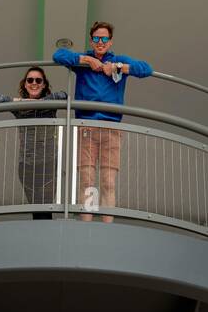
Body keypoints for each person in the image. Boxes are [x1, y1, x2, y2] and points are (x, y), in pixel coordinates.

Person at [53, 21, 152, 223]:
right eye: (97, 38)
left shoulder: (117, 60)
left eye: (104, 38)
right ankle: (87, 225)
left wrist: (117, 67)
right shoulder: (83, 63)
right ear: (91, 40)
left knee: (108, 182)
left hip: (111, 128)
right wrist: (86, 60)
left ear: (110, 41)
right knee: (87, 180)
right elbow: (58, 55)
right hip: (86, 127)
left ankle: (107, 229)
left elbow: (146, 69)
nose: (100, 42)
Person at [0, 67, 67, 219]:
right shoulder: (19, 108)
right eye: (30, 80)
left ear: (44, 85)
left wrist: (29, 102)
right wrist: (20, 102)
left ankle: (44, 238)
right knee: (37, 210)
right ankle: (42, 238)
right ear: (25, 84)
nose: (34, 83)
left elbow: (63, 95)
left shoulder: (50, 103)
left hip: (48, 163)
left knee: (45, 209)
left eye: (39, 80)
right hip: (27, 166)